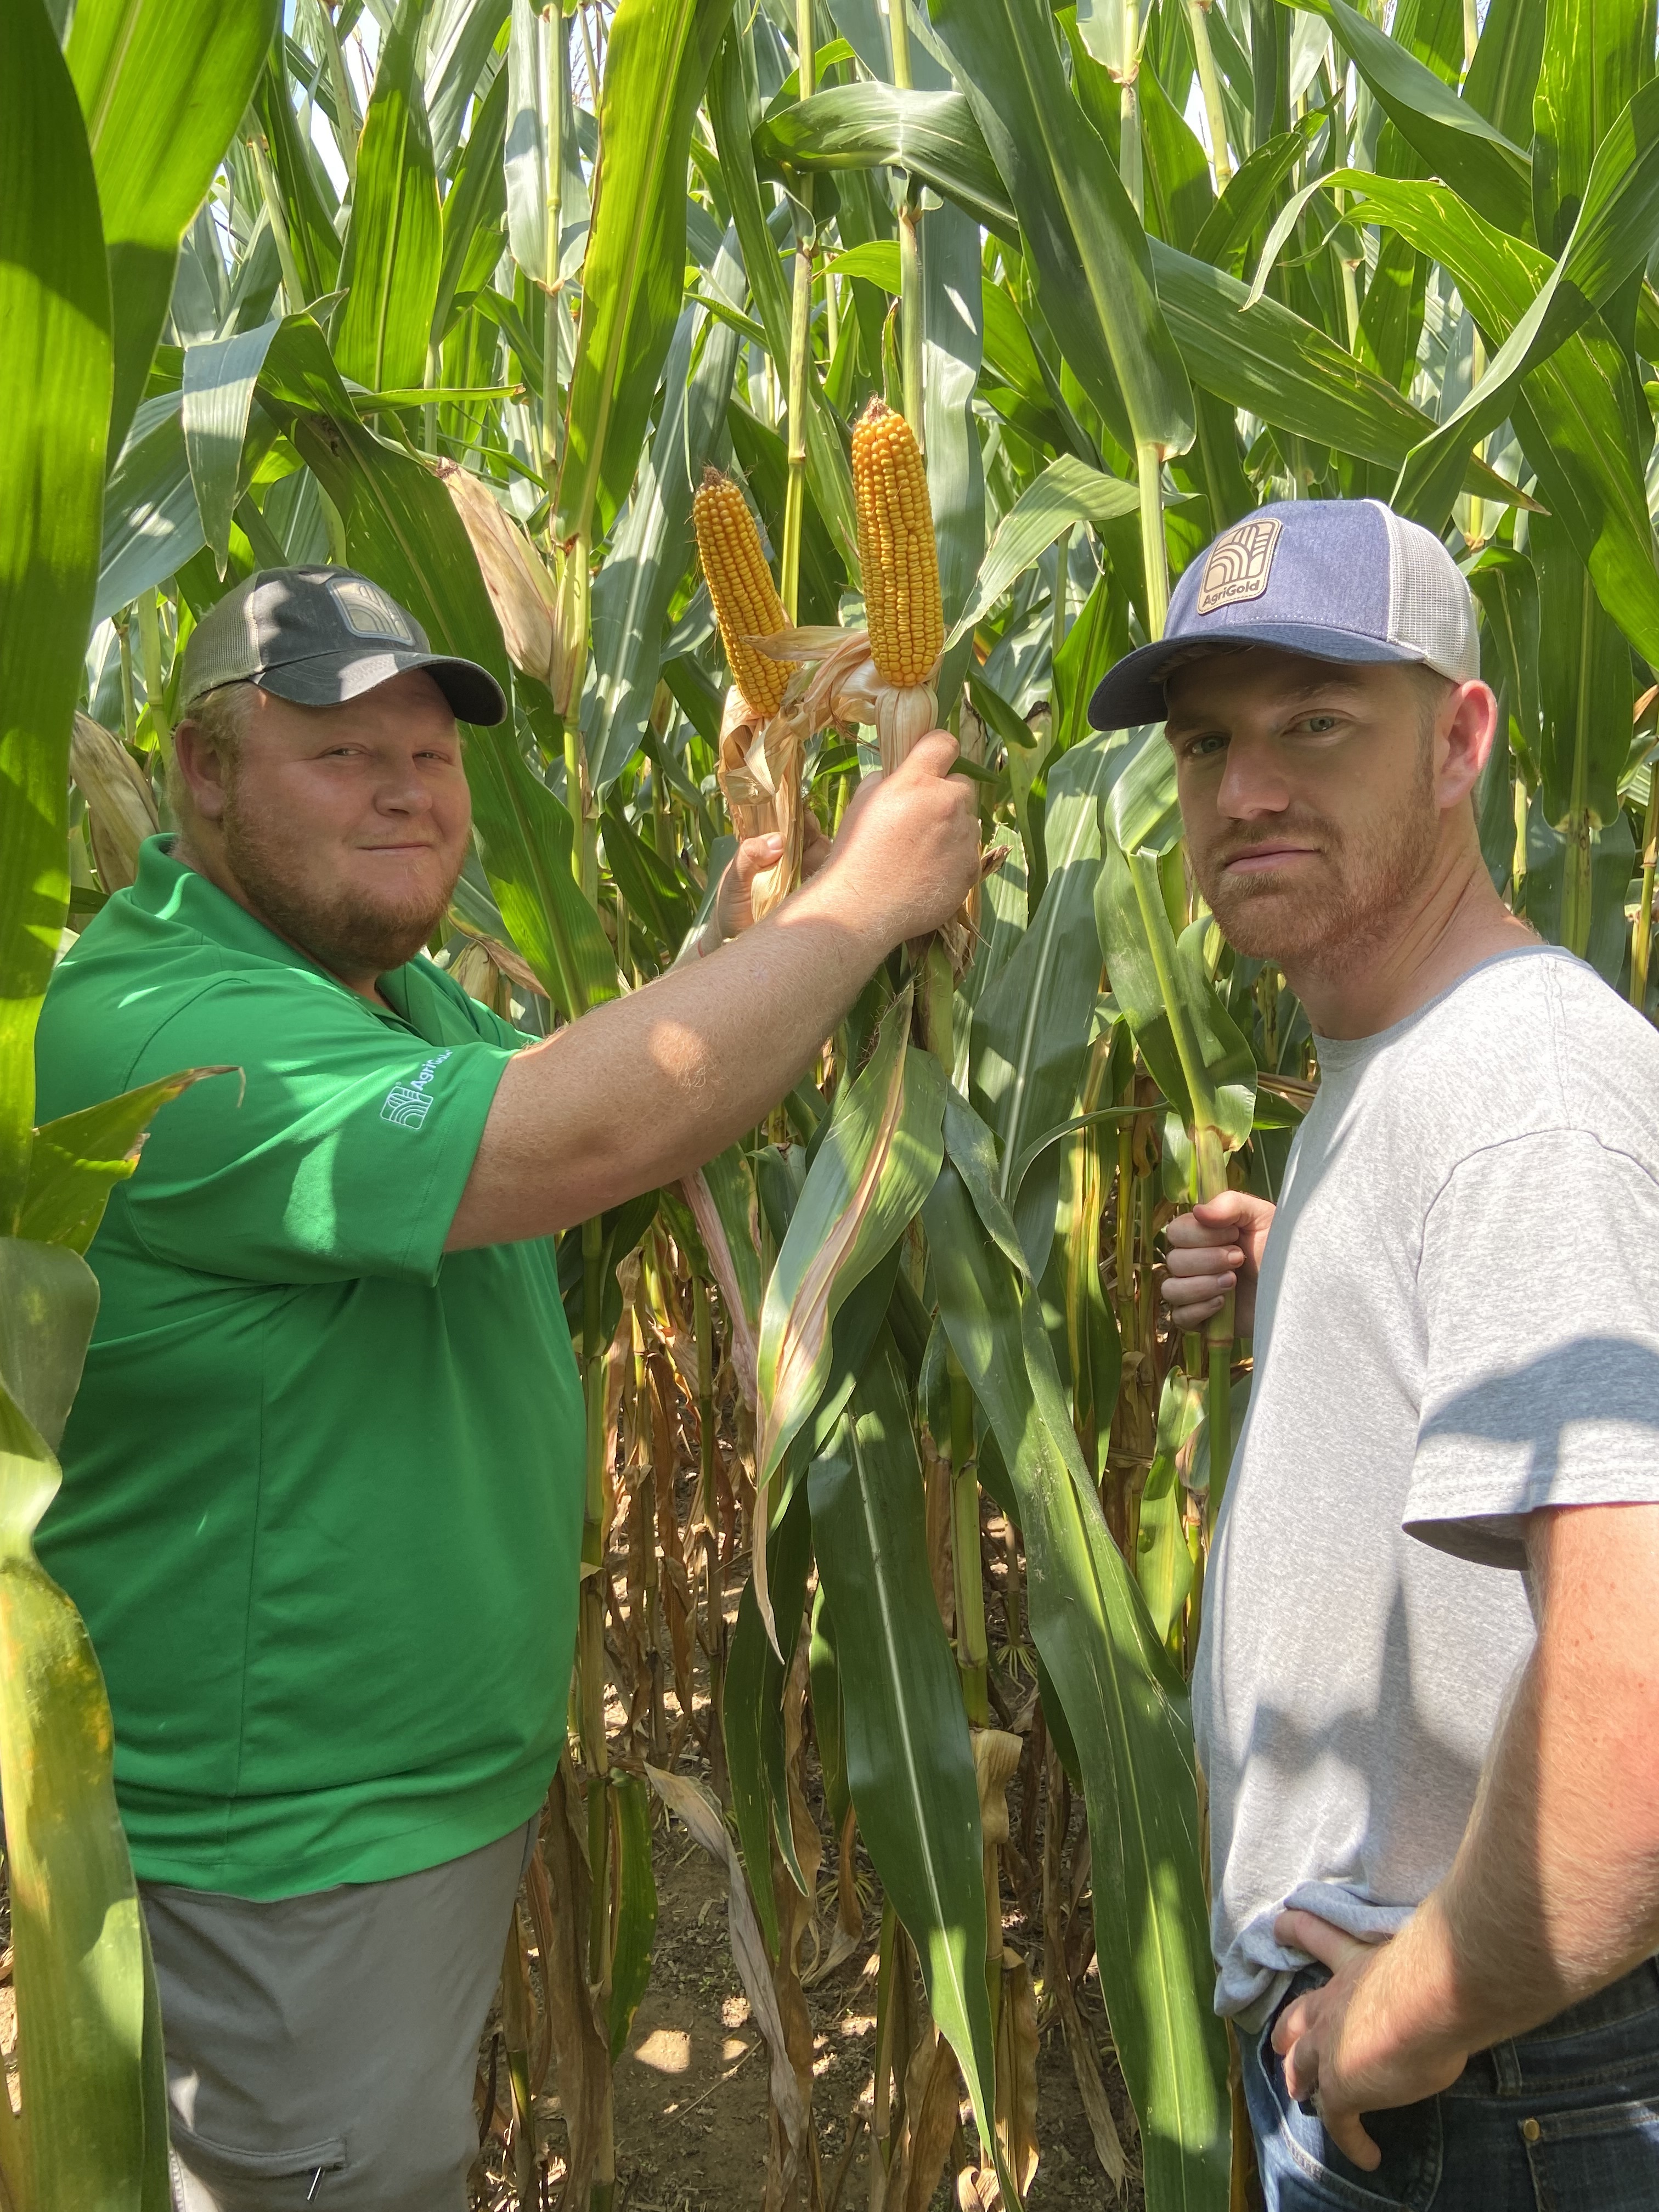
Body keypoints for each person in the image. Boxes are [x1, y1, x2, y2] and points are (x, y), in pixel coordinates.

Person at [34, 565, 982, 2212]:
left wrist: (741, 952)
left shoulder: (371, 990)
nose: (405, 786)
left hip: (403, 1811)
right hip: (290, 1854)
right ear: (199, 773)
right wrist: (863, 905)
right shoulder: (165, 1035)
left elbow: (565, 1107)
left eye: (433, 753)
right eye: (339, 752)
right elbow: (581, 1129)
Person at [1088, 500, 1659, 2207]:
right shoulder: (1408, 1068)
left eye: (1316, 724)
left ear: (1463, 738)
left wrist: (1408, 2016)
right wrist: (1327, 1284)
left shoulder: (1523, 1102)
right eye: (1208, 743)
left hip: (1498, 2087)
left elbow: (1639, 1704)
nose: (1246, 788)